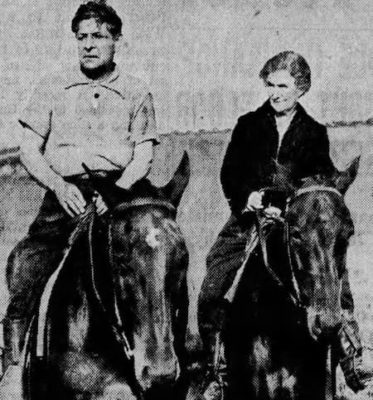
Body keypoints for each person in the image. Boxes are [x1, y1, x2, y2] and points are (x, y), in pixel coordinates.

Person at [198, 51, 373, 400]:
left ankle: (351, 353)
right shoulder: (248, 124)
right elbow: (230, 172)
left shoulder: (313, 132)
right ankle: (217, 369)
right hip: (249, 220)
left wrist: (290, 206)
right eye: (271, 85)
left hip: (294, 218)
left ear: (301, 89)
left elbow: (318, 178)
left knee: (332, 273)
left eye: (284, 86)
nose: (276, 93)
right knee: (216, 279)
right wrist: (246, 197)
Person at [2, 1, 159, 376]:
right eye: (82, 37)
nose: (89, 45)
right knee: (28, 263)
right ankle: (12, 367)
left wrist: (116, 191)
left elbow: (143, 155)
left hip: (120, 193)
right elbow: (29, 149)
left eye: (99, 37)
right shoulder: (53, 86)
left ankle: (176, 360)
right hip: (65, 195)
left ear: (116, 40)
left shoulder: (136, 91)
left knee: (158, 259)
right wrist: (58, 185)